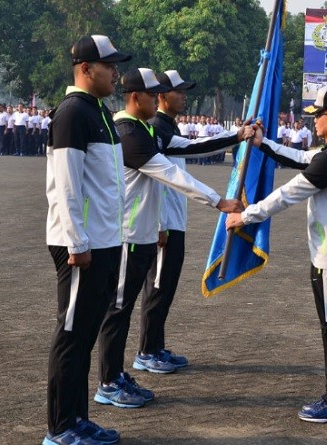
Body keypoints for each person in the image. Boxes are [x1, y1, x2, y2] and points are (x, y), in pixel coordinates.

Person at [93, 68, 244, 409]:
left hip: (142, 233)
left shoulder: (144, 130)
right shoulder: (128, 133)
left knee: (125, 307)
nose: (158, 100)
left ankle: (116, 374)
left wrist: (237, 135)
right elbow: (170, 174)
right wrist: (217, 200)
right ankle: (109, 381)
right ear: (137, 98)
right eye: (153, 95)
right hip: (128, 235)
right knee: (118, 309)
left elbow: (188, 150)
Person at [227, 85, 327, 423]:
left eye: (318, 115)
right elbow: (303, 159)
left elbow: (288, 193)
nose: (313, 121)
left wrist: (245, 216)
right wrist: (264, 144)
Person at [136, 69, 254, 376]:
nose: (183, 96)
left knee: (166, 286)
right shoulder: (156, 128)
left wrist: (236, 135)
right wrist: (160, 223)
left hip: (174, 219)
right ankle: (146, 351)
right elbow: (162, 176)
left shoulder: (166, 127)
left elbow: (195, 146)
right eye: (178, 91)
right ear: (162, 96)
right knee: (157, 287)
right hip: (163, 223)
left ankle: (156, 345)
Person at [43, 34, 130, 445]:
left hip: (104, 241)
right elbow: (67, 185)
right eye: (108, 65)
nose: (115, 73)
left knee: (85, 337)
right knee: (72, 336)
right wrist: (77, 242)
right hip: (81, 246)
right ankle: (60, 428)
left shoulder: (99, 112)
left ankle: (78, 419)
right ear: (85, 69)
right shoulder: (72, 113)